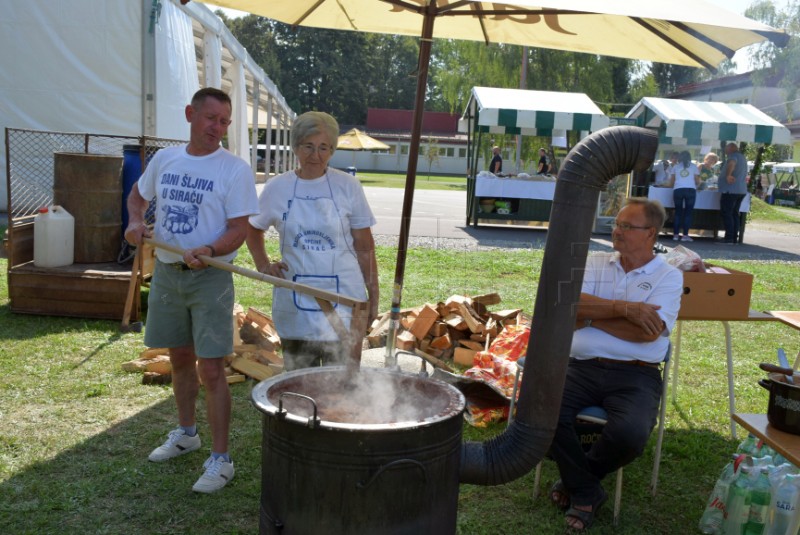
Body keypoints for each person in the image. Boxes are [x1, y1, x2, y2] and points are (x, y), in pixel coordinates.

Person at [124, 87, 259, 493]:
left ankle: (221, 459)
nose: (217, 128)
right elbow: (137, 196)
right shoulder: (166, 159)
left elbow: (239, 228)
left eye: (224, 122)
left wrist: (211, 249)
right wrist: (134, 224)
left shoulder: (234, 169)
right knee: (180, 357)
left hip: (210, 277)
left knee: (213, 368)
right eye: (211, 118)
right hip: (167, 274)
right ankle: (186, 433)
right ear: (190, 114)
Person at [548, 197, 682, 531]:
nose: (616, 231)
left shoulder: (669, 277)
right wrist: (627, 309)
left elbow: (648, 335)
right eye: (616, 224)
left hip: (636, 373)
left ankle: (580, 484)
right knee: (542, 413)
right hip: (581, 365)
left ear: (650, 233)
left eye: (626, 226)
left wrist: (591, 318)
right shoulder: (595, 261)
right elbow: (571, 304)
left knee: (630, 434)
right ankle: (587, 492)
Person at [246, 111, 379, 371]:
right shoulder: (278, 188)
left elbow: (364, 246)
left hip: (344, 299)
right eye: (308, 146)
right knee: (298, 384)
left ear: (332, 150)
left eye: (323, 148)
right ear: (296, 147)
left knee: (342, 387)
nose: (315, 155)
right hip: (295, 299)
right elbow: (252, 229)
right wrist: (263, 265)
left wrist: (372, 295)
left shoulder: (348, 186)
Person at [666, 150, 701, 242]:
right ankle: (685, 235)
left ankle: (676, 235)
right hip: (690, 190)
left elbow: (671, 183)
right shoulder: (694, 167)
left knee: (678, 212)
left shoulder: (676, 167)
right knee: (688, 213)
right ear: (689, 157)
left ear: (680, 158)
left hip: (678, 190)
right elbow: (698, 181)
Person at [719, 142, 748, 244]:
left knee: (727, 213)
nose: (725, 151)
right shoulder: (742, 157)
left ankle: (729, 238)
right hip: (741, 190)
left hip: (731, 189)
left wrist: (728, 175)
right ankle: (734, 237)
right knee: (734, 213)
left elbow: (732, 163)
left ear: (731, 148)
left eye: (726, 148)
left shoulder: (733, 156)